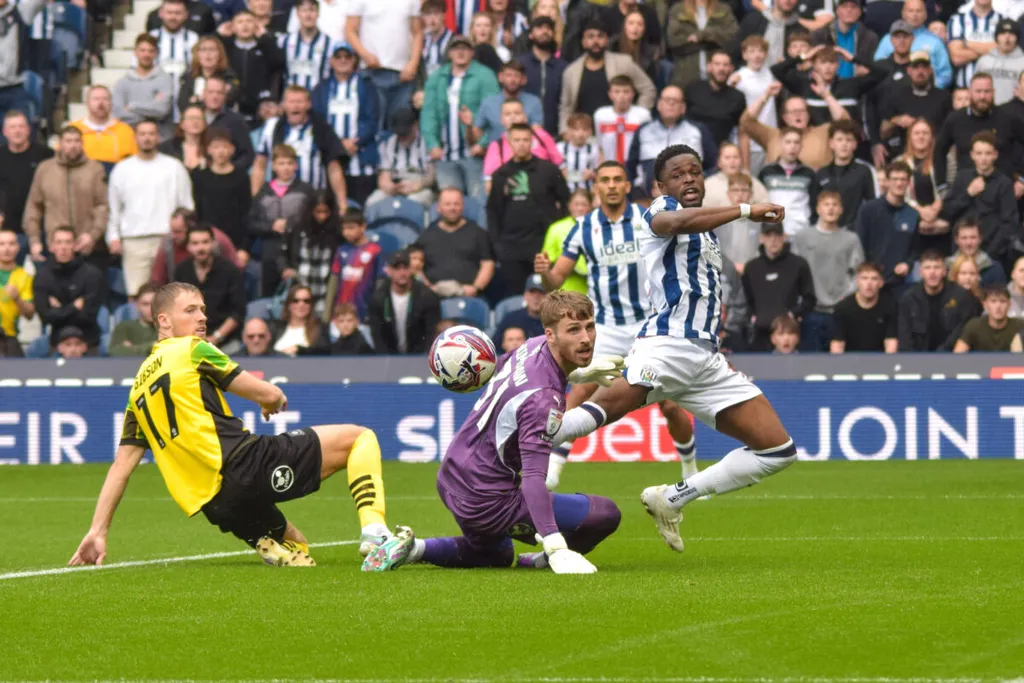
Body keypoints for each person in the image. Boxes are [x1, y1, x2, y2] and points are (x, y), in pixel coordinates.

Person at [540, 144, 797, 554]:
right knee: (601, 408)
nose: (689, 179)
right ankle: (518, 444)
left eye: (695, 171)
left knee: (778, 451)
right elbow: (675, 220)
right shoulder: (659, 211)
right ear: (661, 185)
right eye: (678, 174)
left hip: (707, 359)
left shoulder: (706, 229)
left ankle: (673, 496)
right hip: (667, 344)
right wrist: (746, 210)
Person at [69, 281, 398, 568]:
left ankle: (276, 546)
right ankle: (375, 531)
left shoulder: (137, 388)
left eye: (203, 310)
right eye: (191, 310)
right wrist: (270, 399)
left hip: (215, 504)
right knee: (360, 439)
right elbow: (267, 392)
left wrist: (97, 531)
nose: (202, 317)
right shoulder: (193, 349)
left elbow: (121, 466)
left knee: (298, 548)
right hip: (245, 465)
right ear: (164, 321)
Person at [363, 291, 621, 574]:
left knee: (496, 554)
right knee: (604, 514)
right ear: (550, 334)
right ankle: (546, 560)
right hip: (488, 496)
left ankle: (414, 549)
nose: (586, 337)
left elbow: (514, 375)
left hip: (452, 475)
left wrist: (582, 374)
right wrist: (555, 545)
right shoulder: (542, 398)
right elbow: (534, 478)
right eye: (573, 330)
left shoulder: (531, 346)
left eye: (590, 326)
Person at [534, 161, 698, 490]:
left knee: (669, 403)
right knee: (578, 393)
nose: (611, 185)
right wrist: (543, 271)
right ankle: (551, 469)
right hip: (605, 328)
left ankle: (689, 468)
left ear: (626, 186)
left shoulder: (645, 219)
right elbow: (556, 279)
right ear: (596, 187)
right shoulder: (583, 227)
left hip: (649, 324)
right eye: (604, 180)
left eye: (617, 180)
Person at [108, 120, 195, 298]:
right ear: (135, 138)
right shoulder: (122, 169)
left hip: (167, 239)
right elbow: (114, 208)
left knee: (172, 294)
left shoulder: (174, 167)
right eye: (142, 134)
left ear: (158, 137)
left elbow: (186, 205)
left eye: (151, 134)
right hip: (133, 240)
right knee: (136, 294)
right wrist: (113, 237)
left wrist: (184, 233)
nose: (147, 138)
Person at [487, 122, 569, 296]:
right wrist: (497, 245)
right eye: (517, 140)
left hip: (544, 245)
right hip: (511, 249)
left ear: (532, 141)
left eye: (525, 139)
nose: (521, 143)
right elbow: (493, 211)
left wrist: (558, 231)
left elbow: (566, 201)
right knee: (515, 297)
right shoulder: (500, 174)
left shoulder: (549, 170)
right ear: (509, 142)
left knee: (550, 297)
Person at [420, 35, 499, 202]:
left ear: (472, 52)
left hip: (474, 154)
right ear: (449, 53)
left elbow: (493, 113)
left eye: (465, 49)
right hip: (445, 155)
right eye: (456, 49)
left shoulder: (485, 76)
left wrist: (483, 143)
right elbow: (429, 113)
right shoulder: (437, 77)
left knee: (478, 202)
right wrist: (432, 144)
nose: (460, 52)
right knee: (451, 204)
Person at [23, 126, 109, 267]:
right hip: (55, 247)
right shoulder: (45, 169)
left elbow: (102, 206)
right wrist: (34, 240)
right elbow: (33, 207)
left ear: (82, 143)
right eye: (68, 141)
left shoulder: (95, 169)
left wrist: (93, 235)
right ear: (60, 144)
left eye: (76, 141)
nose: (72, 145)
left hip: (88, 247)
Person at [790, 190, 864, 350]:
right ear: (818, 209)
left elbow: (858, 274)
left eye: (835, 205)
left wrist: (846, 298)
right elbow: (794, 274)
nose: (831, 209)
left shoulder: (851, 239)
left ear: (841, 209)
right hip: (811, 311)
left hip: (840, 309)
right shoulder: (802, 237)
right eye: (826, 204)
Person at [252, 85, 346, 209]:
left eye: (299, 102)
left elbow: (334, 168)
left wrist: (342, 203)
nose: (295, 106)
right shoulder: (271, 127)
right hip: (281, 198)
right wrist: (256, 199)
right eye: (291, 101)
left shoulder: (321, 127)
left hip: (315, 197)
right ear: (283, 105)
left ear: (308, 104)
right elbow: (260, 165)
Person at [311, 42, 380, 207]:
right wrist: (336, 145)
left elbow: (372, 118)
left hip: (359, 157)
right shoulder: (321, 88)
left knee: (360, 207)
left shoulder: (366, 85)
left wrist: (356, 141)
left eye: (347, 57)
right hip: (331, 158)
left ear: (354, 60)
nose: (343, 61)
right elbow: (317, 119)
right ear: (331, 61)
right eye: (338, 57)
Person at [557, 20, 656, 135]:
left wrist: (637, 116)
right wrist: (564, 131)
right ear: (583, 42)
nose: (595, 41)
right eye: (590, 37)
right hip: (584, 136)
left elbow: (648, 89)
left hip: (619, 132)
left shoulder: (623, 63)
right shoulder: (571, 71)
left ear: (607, 40)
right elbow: (566, 107)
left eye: (600, 36)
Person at [940, 131, 1019, 266]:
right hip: (960, 252)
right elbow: (947, 211)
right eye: (979, 153)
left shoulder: (1004, 183)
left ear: (995, 155)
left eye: (988, 153)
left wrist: (989, 255)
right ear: (972, 155)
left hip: (991, 253)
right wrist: (968, 194)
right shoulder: (962, 177)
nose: (983, 158)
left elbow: (1009, 223)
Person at [934, 72, 1024, 189]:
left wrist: (1022, 180)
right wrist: (941, 186)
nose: (982, 96)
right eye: (978, 91)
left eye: (987, 91)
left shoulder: (1008, 118)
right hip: (967, 194)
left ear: (993, 92)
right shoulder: (955, 119)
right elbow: (939, 151)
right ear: (970, 92)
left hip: (1003, 194)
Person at [249, 142, 316, 297]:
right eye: (281, 163)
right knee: (270, 295)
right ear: (273, 166)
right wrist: (271, 226)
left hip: (297, 251)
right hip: (270, 251)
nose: (285, 168)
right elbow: (251, 223)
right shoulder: (264, 191)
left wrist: (291, 225)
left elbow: (314, 219)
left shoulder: (306, 190)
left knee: (298, 294)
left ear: (296, 166)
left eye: (289, 163)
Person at [344, 0, 422, 129]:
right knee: (373, 128)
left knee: (401, 129)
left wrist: (413, 63)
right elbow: (350, 30)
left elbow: (417, 32)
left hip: (403, 76)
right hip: (372, 73)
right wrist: (364, 54)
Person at [742, 222, 817, 350]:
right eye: (768, 235)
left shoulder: (798, 264)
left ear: (784, 237)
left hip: (788, 335)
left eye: (777, 235)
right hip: (760, 334)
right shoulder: (751, 267)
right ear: (761, 238)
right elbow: (747, 300)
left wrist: (792, 315)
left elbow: (809, 299)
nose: (773, 240)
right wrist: (752, 317)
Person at [771, 44, 886, 127]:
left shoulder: (851, 85)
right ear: (814, 65)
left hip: (846, 144)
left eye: (832, 62)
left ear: (838, 65)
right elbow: (776, 70)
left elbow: (882, 72)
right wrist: (804, 57)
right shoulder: (804, 86)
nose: (828, 67)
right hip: (815, 147)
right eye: (823, 62)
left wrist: (853, 58)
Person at [33, 226, 107, 353]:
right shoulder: (42, 276)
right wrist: (74, 307)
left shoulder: (92, 275)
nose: (63, 247)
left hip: (89, 341)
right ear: (51, 247)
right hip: (57, 343)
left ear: (75, 245)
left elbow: (88, 316)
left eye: (68, 242)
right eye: (59, 242)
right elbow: (45, 317)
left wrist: (59, 310)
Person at [173, 224, 247, 349]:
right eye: (195, 243)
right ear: (188, 247)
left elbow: (238, 313)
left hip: (225, 341)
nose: (200, 248)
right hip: (189, 340)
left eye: (205, 242)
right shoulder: (181, 271)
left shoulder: (229, 271)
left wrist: (215, 338)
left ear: (213, 243)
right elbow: (176, 309)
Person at [740, 86, 848, 170]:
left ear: (808, 115)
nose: (798, 115)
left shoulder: (823, 132)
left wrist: (826, 95)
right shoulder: (772, 135)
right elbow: (746, 121)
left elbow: (845, 121)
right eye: (793, 112)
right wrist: (765, 96)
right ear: (785, 118)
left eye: (802, 111)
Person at [415, 188, 494, 299]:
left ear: (462, 206)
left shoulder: (478, 233)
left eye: (456, 204)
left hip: (469, 296)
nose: (452, 208)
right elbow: (414, 266)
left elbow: (487, 264)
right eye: (447, 204)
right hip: (433, 296)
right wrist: (426, 287)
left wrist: (476, 288)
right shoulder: (426, 235)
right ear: (438, 207)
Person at [853, 160, 919, 292]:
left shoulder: (912, 214)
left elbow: (915, 249)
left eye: (903, 179)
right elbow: (859, 245)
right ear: (887, 181)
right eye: (895, 179)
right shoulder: (868, 210)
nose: (899, 183)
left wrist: (908, 264)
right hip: (872, 283)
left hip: (900, 283)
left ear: (909, 182)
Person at [875, 51, 951, 166]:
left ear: (930, 70)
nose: (920, 72)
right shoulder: (896, 96)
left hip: (936, 156)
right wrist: (897, 120)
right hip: (904, 156)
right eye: (916, 67)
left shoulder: (944, 97)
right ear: (909, 71)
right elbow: (883, 132)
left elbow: (950, 131)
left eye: (924, 67)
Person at [897, 250, 982, 351]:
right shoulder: (909, 298)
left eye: (937, 267)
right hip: (917, 359)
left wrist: (941, 355)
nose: (932, 272)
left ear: (944, 271)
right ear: (921, 272)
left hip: (952, 357)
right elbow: (904, 337)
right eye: (927, 268)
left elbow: (961, 332)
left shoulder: (961, 296)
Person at [367, 249, 441, 354]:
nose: (402, 273)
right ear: (388, 270)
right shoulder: (378, 298)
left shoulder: (427, 297)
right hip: (389, 360)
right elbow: (378, 337)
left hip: (419, 359)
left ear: (411, 269)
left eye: (405, 268)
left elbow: (431, 334)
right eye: (397, 268)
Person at [192, 128, 251, 257]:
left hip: (235, 241)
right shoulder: (199, 176)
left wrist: (244, 247)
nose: (221, 151)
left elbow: (246, 212)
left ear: (232, 149)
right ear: (208, 150)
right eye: (216, 147)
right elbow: (197, 210)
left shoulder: (241, 176)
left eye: (225, 147)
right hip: (207, 240)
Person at [280, 190, 340, 314]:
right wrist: (285, 268)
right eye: (318, 212)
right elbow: (282, 254)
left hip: (324, 294)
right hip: (299, 291)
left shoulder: (336, 232)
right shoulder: (297, 227)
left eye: (326, 212)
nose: (322, 216)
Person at [222, 9, 286, 125]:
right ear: (233, 26)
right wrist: (219, 35)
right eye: (240, 22)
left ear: (256, 25)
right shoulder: (226, 50)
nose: (245, 25)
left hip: (261, 110)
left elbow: (279, 62)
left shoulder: (266, 47)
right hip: (232, 109)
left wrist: (265, 38)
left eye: (249, 21)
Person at [481, 98, 562, 189]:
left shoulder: (541, 136)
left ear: (525, 116)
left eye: (517, 113)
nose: (512, 117)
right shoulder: (496, 146)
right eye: (507, 114)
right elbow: (489, 184)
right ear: (501, 119)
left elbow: (561, 167)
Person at [873, 0, 953, 89]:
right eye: (911, 11)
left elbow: (945, 75)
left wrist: (927, 89)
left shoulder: (935, 42)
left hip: (926, 95)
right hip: (892, 94)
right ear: (903, 13)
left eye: (919, 11)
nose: (915, 15)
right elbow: (877, 70)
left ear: (925, 14)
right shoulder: (888, 39)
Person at [150, 208, 239, 287]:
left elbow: (235, 269)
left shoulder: (217, 240)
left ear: (191, 227)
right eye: (171, 231)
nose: (173, 236)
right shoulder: (168, 244)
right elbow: (157, 278)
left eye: (178, 231)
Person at [112, 34, 175, 142]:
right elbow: (118, 114)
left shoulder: (165, 79)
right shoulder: (122, 82)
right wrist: (151, 116)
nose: (146, 54)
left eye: (151, 51)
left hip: (160, 141)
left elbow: (162, 109)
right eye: (142, 50)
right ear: (135, 52)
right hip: (129, 140)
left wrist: (132, 106)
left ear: (156, 53)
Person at [814, 119, 878, 227]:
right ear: (831, 143)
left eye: (848, 140)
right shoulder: (822, 174)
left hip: (854, 233)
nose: (844, 144)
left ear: (855, 144)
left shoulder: (863, 172)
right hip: (826, 233)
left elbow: (871, 204)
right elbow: (813, 207)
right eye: (839, 140)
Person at [323, 208, 384, 321]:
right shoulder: (341, 250)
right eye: (344, 228)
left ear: (363, 227)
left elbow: (380, 283)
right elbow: (333, 282)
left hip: (364, 312)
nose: (346, 232)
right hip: (340, 313)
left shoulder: (375, 250)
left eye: (351, 228)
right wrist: (326, 316)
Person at [366, 109, 434, 208]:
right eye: (399, 134)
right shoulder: (388, 143)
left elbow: (432, 176)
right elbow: (384, 174)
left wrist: (417, 185)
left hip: (420, 187)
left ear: (415, 126)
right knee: (372, 202)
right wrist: (388, 186)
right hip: (396, 185)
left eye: (405, 133)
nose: (402, 137)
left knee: (412, 202)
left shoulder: (427, 143)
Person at [0, 111, 53, 239]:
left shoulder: (46, 155)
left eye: (21, 126)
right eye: (12, 127)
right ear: (5, 132)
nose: (17, 131)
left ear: (28, 130)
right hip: (7, 231)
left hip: (40, 228)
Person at [665, 0, 738, 92]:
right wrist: (710, 43)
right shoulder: (678, 10)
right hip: (686, 73)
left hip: (717, 77)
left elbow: (733, 36)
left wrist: (705, 35)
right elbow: (673, 40)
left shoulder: (723, 9)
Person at [731, 35, 778, 175]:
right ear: (744, 55)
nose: (757, 55)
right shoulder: (738, 77)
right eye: (752, 51)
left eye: (760, 51)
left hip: (770, 138)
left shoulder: (770, 74)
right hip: (749, 143)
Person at [758, 127, 819, 235]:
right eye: (788, 142)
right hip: (772, 232)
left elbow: (815, 206)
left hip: (801, 232)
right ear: (780, 144)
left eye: (796, 142)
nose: (792, 146)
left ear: (801, 146)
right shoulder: (766, 172)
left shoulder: (809, 174)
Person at [473, 59, 544, 149]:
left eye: (516, 76)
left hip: (525, 154)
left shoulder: (534, 102)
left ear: (523, 80)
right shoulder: (488, 102)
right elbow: (478, 129)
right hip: (495, 155)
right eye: (508, 75)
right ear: (500, 77)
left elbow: (538, 132)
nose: (512, 80)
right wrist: (483, 145)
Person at [830, 261, 899, 353]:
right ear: (857, 281)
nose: (869, 283)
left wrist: (888, 365)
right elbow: (838, 343)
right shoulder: (843, 308)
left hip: (880, 360)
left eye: (874, 279)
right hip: (851, 361)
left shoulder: (890, 306)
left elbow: (891, 341)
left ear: (881, 283)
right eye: (864, 278)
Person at [148, 0, 201, 119]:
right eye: (169, 12)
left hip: (186, 101)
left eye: (178, 13)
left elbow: (197, 71)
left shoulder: (193, 38)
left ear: (186, 15)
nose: (173, 17)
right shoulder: (151, 37)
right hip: (155, 100)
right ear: (161, 13)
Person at [683, 51, 747, 147]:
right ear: (709, 67)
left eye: (725, 65)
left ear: (731, 68)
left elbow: (742, 133)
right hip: (690, 148)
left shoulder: (737, 97)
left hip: (720, 153)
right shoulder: (693, 89)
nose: (721, 69)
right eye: (717, 64)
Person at [519, 15, 567, 138]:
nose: (545, 31)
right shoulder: (519, 64)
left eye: (549, 28)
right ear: (530, 34)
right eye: (539, 27)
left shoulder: (563, 67)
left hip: (554, 134)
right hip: (523, 134)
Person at [540, 189, 593, 295]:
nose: (580, 208)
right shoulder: (556, 228)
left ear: (591, 207)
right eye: (576, 204)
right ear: (569, 206)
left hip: (593, 289)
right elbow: (547, 260)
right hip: (565, 290)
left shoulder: (597, 227)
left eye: (584, 204)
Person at [71, 86, 139, 167]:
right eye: (96, 99)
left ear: (111, 103)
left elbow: (136, 162)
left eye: (105, 99)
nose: (101, 103)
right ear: (87, 103)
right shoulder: (73, 129)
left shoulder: (125, 130)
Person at [200, 75, 256, 170]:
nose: (215, 97)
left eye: (219, 93)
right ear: (204, 94)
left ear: (225, 96)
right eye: (211, 92)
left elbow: (247, 155)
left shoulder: (236, 121)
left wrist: (230, 170)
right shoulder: (195, 116)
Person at [593, 75, 651, 166]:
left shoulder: (643, 115)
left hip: (635, 169)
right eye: (617, 91)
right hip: (610, 167)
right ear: (610, 94)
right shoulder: (600, 115)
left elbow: (647, 143)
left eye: (626, 92)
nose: (621, 96)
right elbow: (599, 143)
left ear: (633, 94)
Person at [276, 0, 332, 92]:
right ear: (297, 14)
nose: (308, 15)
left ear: (318, 13)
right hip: (291, 99)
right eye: (304, 10)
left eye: (312, 10)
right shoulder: (284, 41)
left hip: (318, 97)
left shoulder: (330, 43)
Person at [947, 0, 1003, 90]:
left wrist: (966, 43)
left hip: (996, 89)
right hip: (964, 89)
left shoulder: (1003, 20)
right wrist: (991, 49)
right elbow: (957, 57)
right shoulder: (957, 20)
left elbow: (1004, 52)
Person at [178, 36, 241, 116]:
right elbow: (183, 105)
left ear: (220, 54)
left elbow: (231, 98)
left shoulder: (229, 76)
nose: (208, 54)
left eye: (212, 50)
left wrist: (197, 99)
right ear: (197, 54)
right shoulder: (188, 77)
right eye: (203, 50)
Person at [955, 286, 1024, 351]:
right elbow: (958, 355)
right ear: (985, 305)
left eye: (1003, 301)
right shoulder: (974, 326)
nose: (998, 306)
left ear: (1009, 305)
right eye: (993, 301)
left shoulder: (1020, 326)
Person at [270, 283, 330, 356]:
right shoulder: (275, 327)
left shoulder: (320, 328)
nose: (301, 304)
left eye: (306, 301)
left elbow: (324, 351)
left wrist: (299, 350)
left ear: (311, 305)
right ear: (288, 304)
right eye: (295, 301)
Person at [703, 142, 769, 208]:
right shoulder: (708, 185)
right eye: (727, 158)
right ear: (719, 162)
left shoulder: (753, 183)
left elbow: (766, 206)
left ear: (741, 160)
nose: (732, 161)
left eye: (736, 157)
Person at [974, 19, 1024, 105]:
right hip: (988, 111)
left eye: (1011, 34)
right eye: (1003, 33)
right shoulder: (983, 61)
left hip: (1015, 112)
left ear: (1017, 38)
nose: (1007, 37)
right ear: (996, 37)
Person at [946, 218, 1007, 286]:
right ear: (956, 240)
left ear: (980, 239)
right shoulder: (946, 268)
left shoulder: (995, 268)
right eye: (964, 238)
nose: (968, 243)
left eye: (973, 237)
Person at [0, 228, 34, 338]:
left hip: (9, 336)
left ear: (18, 248)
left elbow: (30, 314)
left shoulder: (25, 276)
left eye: (11, 244)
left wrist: (17, 298)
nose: (6, 248)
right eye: (2, 244)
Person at [109, 282, 159, 357]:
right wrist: (151, 346)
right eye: (145, 304)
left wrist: (132, 349)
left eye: (155, 304)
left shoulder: (171, 328)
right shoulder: (124, 327)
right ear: (137, 305)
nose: (150, 309)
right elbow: (114, 352)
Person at [494, 274, 546, 342]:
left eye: (541, 293)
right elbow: (495, 347)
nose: (536, 298)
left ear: (547, 296)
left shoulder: (554, 321)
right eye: (532, 293)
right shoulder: (511, 319)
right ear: (525, 295)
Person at [559, 113, 601, 193]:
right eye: (576, 129)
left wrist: (592, 174)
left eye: (584, 129)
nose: (581, 133)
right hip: (565, 192)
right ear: (569, 130)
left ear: (590, 131)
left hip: (587, 192)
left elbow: (598, 172)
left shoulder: (593, 149)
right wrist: (560, 173)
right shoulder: (560, 148)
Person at [420, 0, 452, 80]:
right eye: (428, 14)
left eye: (436, 14)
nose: (432, 18)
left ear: (444, 15)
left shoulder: (454, 40)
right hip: (425, 87)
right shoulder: (421, 41)